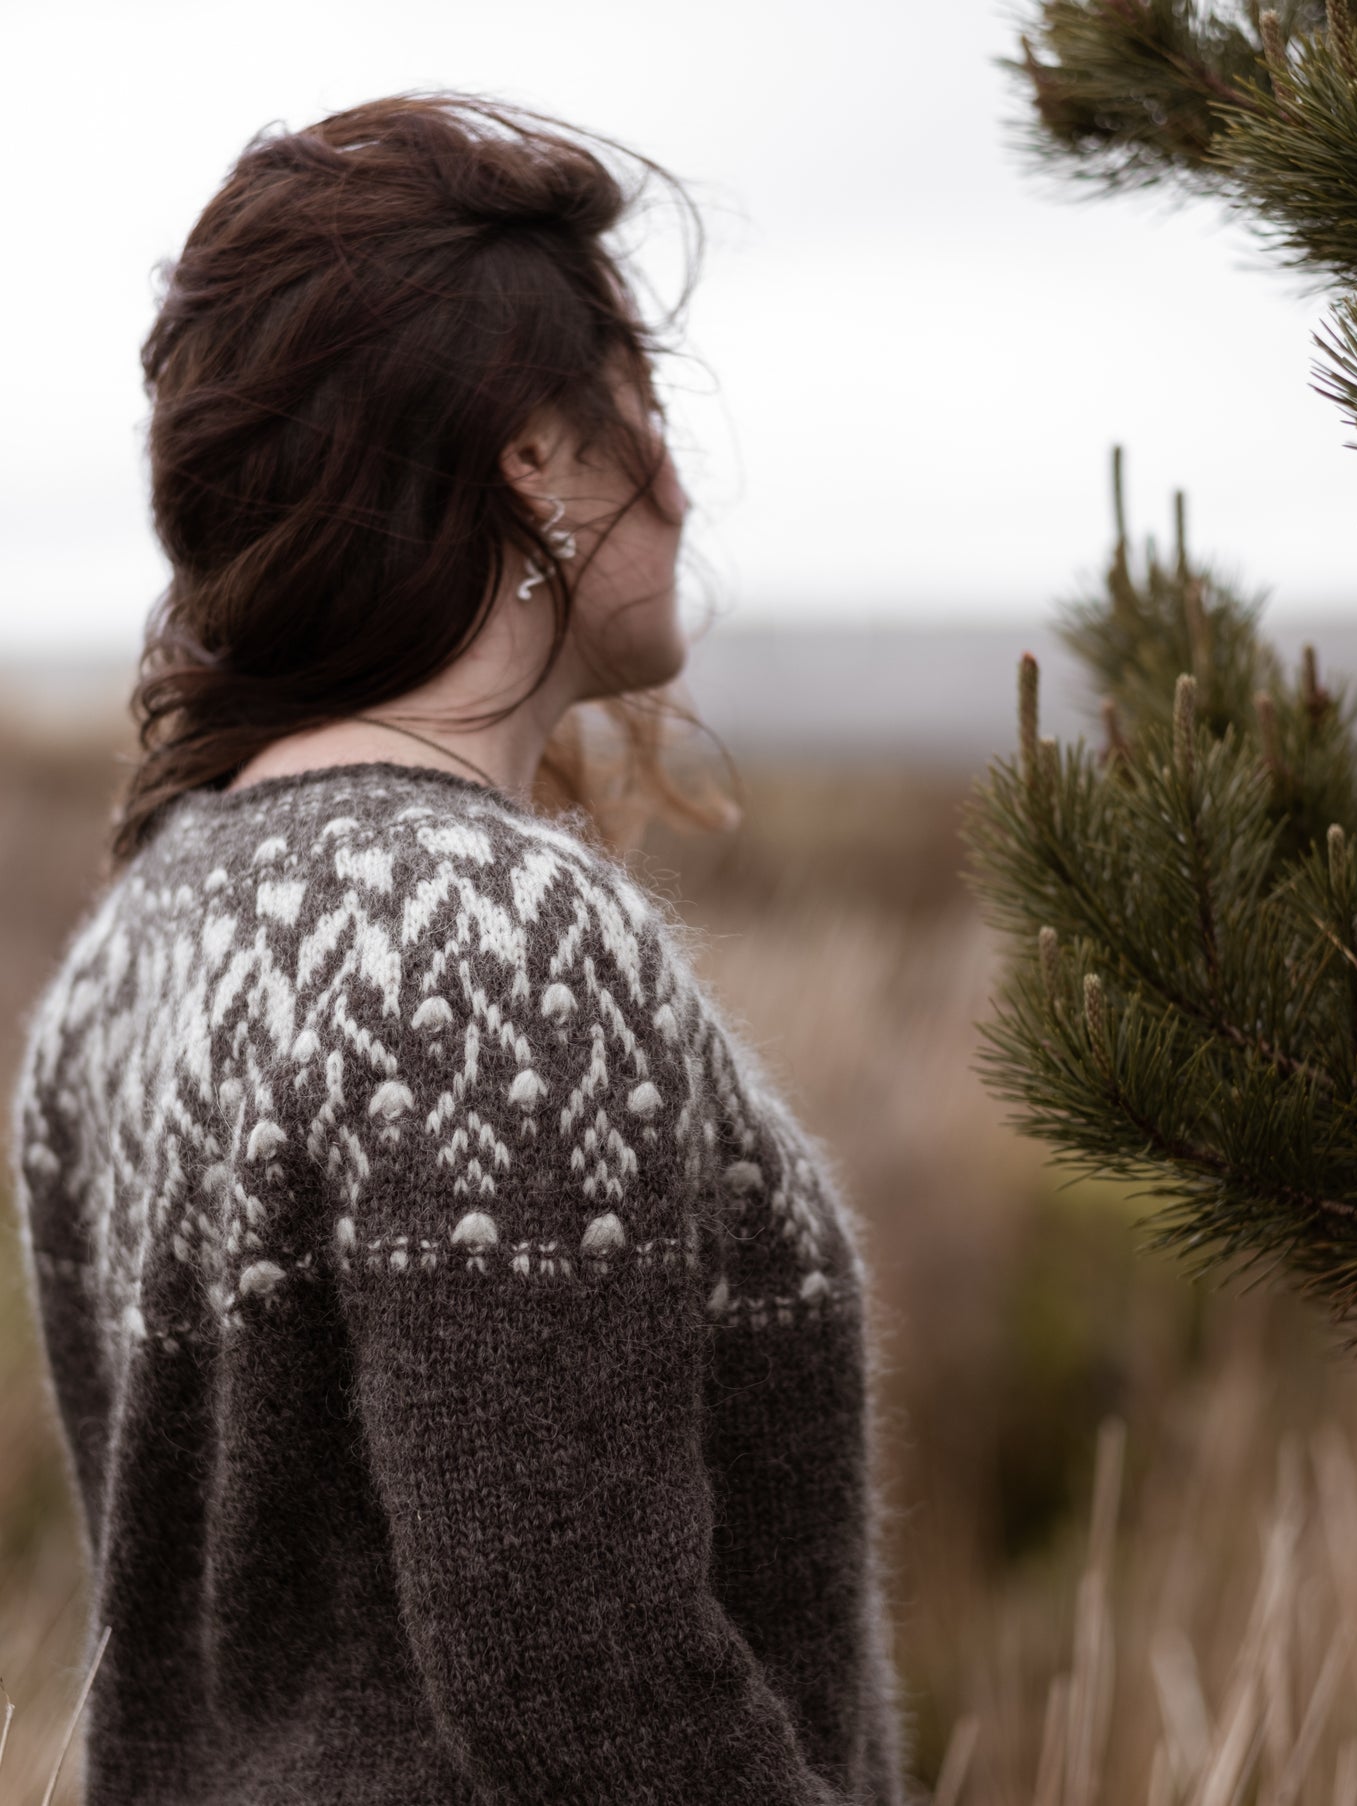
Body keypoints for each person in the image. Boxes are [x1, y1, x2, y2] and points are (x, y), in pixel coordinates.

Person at [9, 92, 912, 1805]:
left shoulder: (129, 952)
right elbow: (589, 1679)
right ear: (533, 457)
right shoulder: (490, 937)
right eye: (639, 408)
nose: (678, 477)